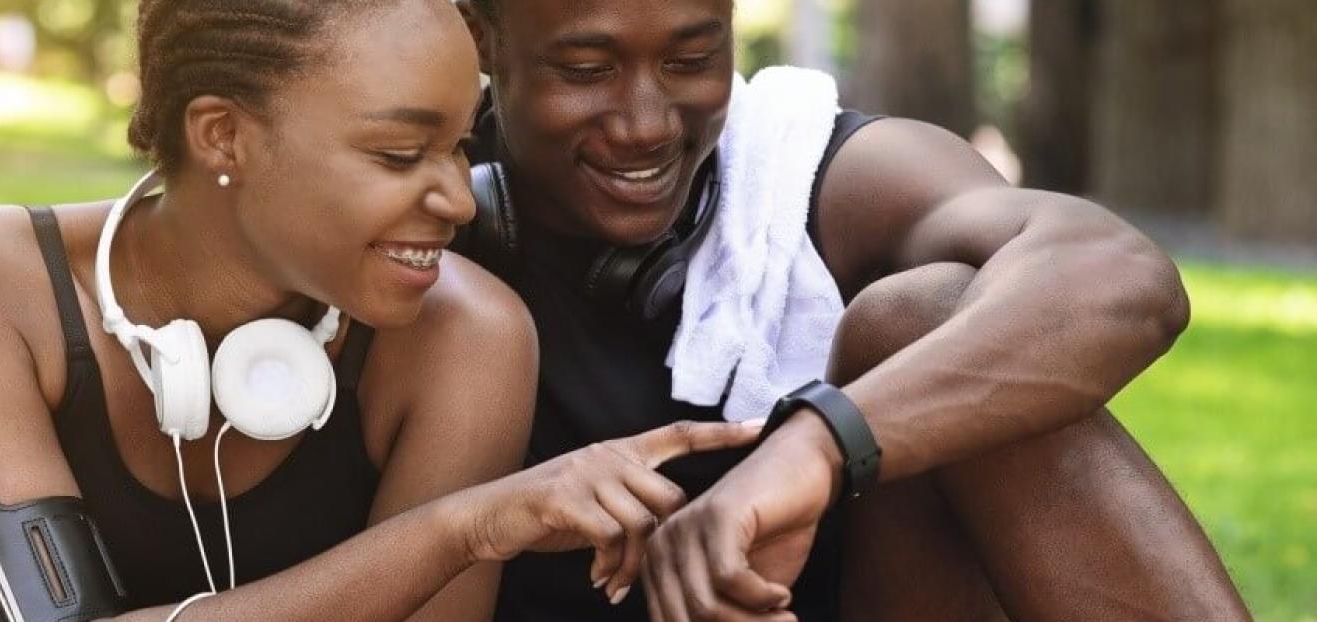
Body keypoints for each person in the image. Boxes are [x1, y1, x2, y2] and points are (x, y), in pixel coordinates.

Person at [0, 0, 764, 620]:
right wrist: (462, 530)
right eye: (399, 153)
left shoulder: (467, 335)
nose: (460, 200)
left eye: (462, 145)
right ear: (222, 134)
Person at [452, 0, 1251, 620]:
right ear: (483, 37)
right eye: (586, 70)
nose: (646, 124)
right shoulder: (414, 209)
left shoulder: (812, 175)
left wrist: (822, 442)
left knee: (923, 314)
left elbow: (1120, 276)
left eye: (690, 60)